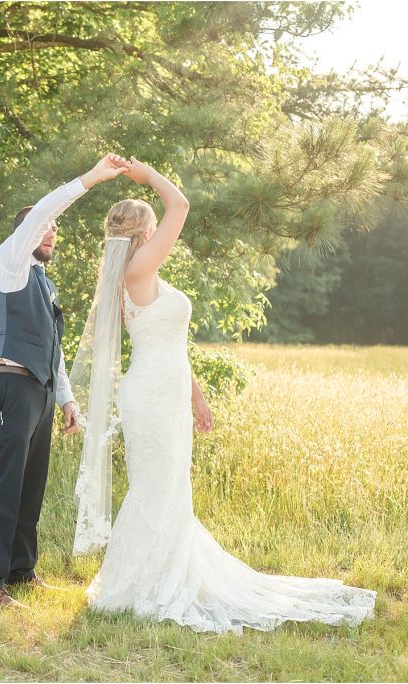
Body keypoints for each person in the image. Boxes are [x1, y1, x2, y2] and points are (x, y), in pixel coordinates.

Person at [69, 156, 376, 634]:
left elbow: (169, 344)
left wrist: (196, 396)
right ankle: (137, 585)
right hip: (150, 394)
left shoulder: (141, 273)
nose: (159, 230)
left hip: (165, 389)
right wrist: (149, 176)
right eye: (153, 225)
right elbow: (182, 203)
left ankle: (149, 577)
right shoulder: (137, 268)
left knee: (170, 487)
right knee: (156, 487)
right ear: (143, 231)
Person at [0, 153, 131, 609]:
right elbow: (42, 212)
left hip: (39, 393)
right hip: (11, 387)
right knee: (5, 484)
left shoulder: (43, 280)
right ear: (24, 235)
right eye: (45, 227)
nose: (51, 231)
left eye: (54, 230)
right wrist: (92, 178)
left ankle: (21, 572)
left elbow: (53, 349)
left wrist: (65, 403)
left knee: (31, 486)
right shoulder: (10, 263)